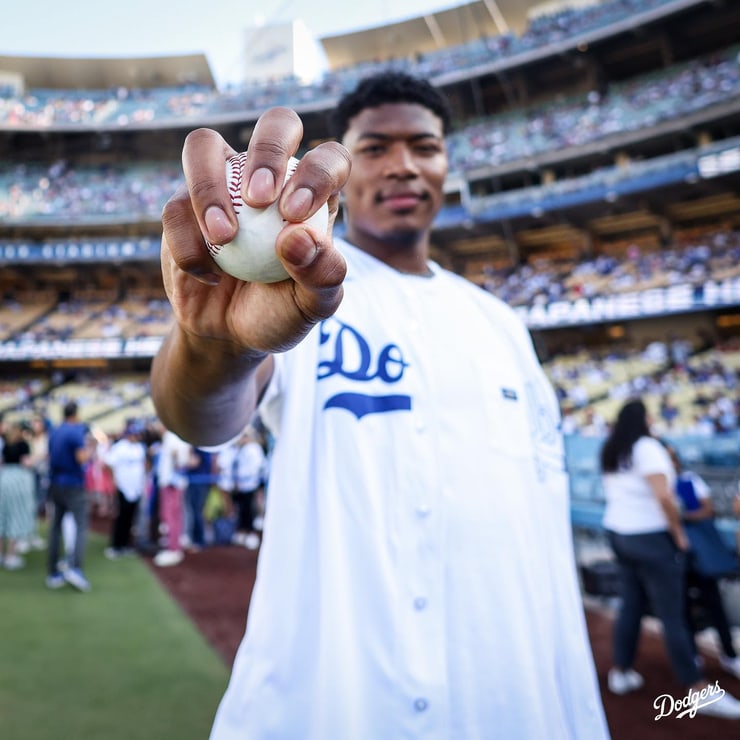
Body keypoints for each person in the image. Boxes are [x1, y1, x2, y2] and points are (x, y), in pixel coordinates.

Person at [151, 71, 610, 738]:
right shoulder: (302, 284)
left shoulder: (501, 323)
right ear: (337, 171)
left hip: (517, 710)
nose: (403, 165)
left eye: (424, 146)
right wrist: (211, 343)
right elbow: (198, 413)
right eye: (373, 148)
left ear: (447, 163)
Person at [600, 398, 740, 718]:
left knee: (632, 605)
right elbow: (663, 496)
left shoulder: (612, 448)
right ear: (644, 419)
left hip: (620, 534)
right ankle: (696, 690)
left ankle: (620, 671)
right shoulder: (647, 447)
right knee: (672, 614)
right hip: (650, 538)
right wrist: (677, 533)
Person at [665, 443, 740, 680]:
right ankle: (693, 656)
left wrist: (681, 516)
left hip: (700, 556)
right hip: (676, 556)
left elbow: (708, 510)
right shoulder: (658, 485)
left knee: (713, 603)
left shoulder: (689, 480)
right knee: (683, 607)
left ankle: (729, 654)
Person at [46, 401, 94, 591]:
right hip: (73, 484)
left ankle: (53, 572)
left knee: (55, 528)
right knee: (81, 525)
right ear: (76, 414)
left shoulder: (55, 431)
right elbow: (81, 458)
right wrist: (91, 450)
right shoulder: (75, 431)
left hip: (55, 483)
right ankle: (75, 568)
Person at [103, 419, 148, 559]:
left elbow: (144, 465)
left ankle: (126, 544)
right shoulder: (120, 447)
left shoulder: (140, 447)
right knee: (121, 517)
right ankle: (116, 546)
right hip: (123, 487)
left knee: (130, 518)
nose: (136, 436)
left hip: (136, 488)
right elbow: (108, 463)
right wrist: (114, 480)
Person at [152, 428, 191, 567]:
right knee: (174, 517)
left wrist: (174, 474)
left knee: (170, 516)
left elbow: (178, 457)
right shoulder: (181, 435)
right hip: (174, 482)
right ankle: (173, 544)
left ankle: (173, 549)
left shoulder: (172, 436)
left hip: (171, 483)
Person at [0, 420, 36, 570]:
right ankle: (10, 555)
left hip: (4, 479)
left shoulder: (6, 445)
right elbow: (26, 463)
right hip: (18, 481)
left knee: (2, 515)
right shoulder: (23, 445)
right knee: (16, 515)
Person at [230, 427, 266, 550]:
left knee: (250, 509)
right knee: (243, 510)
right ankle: (244, 532)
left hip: (250, 484)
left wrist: (247, 479)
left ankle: (251, 534)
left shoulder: (253, 449)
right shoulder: (241, 450)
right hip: (242, 485)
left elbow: (255, 467)